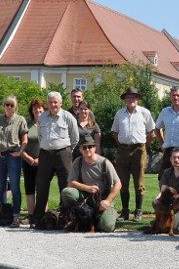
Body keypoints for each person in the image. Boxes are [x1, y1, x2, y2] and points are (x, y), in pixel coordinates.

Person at [33, 91, 80, 225]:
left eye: (55, 102)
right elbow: (40, 135)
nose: (53, 105)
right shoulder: (42, 117)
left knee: (65, 185)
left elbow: (75, 137)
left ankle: (66, 217)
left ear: (60, 103)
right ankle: (38, 218)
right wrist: (47, 145)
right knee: (41, 185)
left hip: (63, 154)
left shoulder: (68, 117)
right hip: (45, 154)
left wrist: (67, 150)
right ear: (47, 103)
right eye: (51, 102)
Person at [60, 133, 121, 233]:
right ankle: (74, 219)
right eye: (84, 147)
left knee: (107, 226)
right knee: (67, 192)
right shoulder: (78, 162)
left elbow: (118, 184)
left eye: (90, 147)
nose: (87, 149)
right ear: (80, 150)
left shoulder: (104, 163)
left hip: (102, 199)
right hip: (85, 198)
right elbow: (70, 183)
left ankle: (101, 218)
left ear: (95, 148)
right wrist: (87, 188)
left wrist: (108, 201)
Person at [111, 86, 155, 221]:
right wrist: (122, 144)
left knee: (139, 182)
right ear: (125, 100)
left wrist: (144, 146)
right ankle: (125, 212)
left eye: (133, 97)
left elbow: (151, 133)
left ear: (137, 99)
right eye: (128, 97)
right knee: (122, 181)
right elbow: (115, 132)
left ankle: (138, 211)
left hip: (139, 150)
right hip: (123, 150)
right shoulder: (119, 114)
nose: (131, 99)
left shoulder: (145, 113)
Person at [0, 95, 28, 227]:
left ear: (15, 107)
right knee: (0, 188)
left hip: (13, 156)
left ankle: (15, 217)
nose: (9, 107)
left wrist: (20, 152)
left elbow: (25, 140)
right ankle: (3, 216)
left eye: (12, 105)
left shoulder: (20, 120)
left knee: (15, 187)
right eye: (7, 104)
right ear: (4, 106)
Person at [153, 87, 179, 174]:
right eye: (173, 95)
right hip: (169, 150)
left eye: (178, 95)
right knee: (163, 177)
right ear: (170, 97)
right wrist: (162, 144)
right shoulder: (165, 112)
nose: (175, 97)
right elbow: (157, 128)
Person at [152, 147, 179, 233]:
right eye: (174, 157)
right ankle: (161, 222)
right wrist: (159, 197)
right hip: (172, 203)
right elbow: (163, 190)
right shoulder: (166, 172)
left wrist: (173, 196)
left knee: (177, 229)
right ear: (170, 159)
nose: (176, 160)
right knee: (155, 203)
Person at [21, 98, 44, 224]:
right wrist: (28, 158)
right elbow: (21, 144)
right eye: (35, 108)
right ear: (32, 110)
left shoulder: (47, 124)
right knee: (29, 189)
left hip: (44, 161)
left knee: (42, 189)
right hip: (28, 161)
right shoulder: (26, 124)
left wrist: (40, 159)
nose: (38, 110)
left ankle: (42, 215)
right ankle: (31, 216)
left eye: (40, 108)